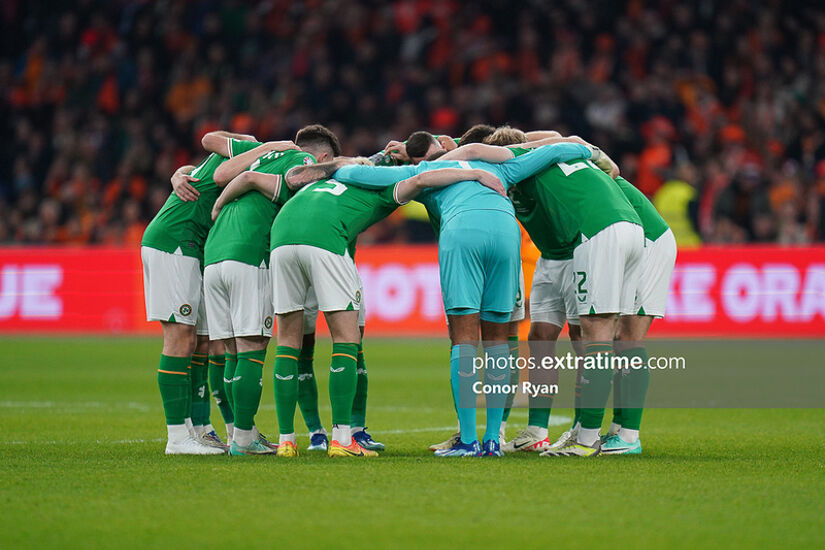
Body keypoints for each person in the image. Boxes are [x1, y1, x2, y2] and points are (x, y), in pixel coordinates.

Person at [331, 140, 609, 456]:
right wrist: (597, 154)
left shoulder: (425, 170)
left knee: (464, 339)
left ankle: (467, 439)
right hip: (506, 233)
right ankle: (493, 440)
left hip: (463, 231)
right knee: (497, 341)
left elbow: (352, 176)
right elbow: (559, 149)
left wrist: (376, 158)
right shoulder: (500, 166)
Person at [204, 125, 341, 456]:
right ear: (321, 157)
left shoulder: (263, 157)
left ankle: (241, 432)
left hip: (214, 255)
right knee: (252, 347)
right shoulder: (302, 163)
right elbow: (290, 182)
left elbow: (220, 165)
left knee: (231, 352)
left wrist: (221, 200)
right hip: (250, 253)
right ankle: (243, 440)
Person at [141, 130, 259, 455]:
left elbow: (202, 168)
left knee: (200, 340)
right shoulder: (248, 157)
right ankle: (177, 437)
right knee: (180, 337)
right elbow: (210, 140)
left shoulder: (221, 166)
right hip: (174, 243)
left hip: (194, 248)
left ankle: (200, 427)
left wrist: (179, 173)